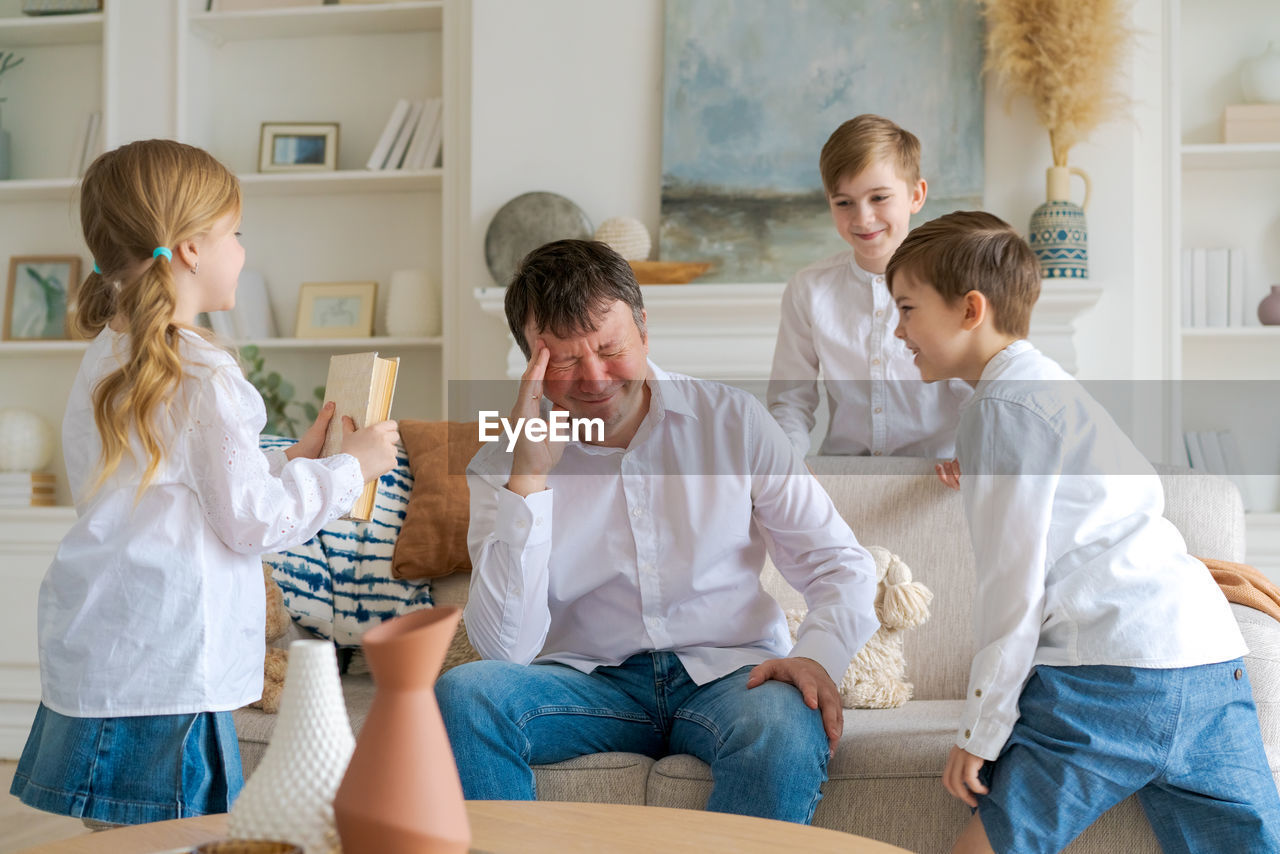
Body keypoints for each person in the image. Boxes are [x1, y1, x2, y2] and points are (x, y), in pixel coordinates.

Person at [9, 139, 400, 827]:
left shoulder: (108, 354)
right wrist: (349, 470)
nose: (243, 253)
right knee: (175, 839)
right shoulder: (206, 373)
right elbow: (250, 521)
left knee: (120, 840)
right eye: (235, 234)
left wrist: (292, 461)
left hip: (115, 650)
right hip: (172, 666)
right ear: (191, 247)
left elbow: (177, 487)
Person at [436, 239, 880, 824]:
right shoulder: (504, 466)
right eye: (564, 361)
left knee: (784, 720)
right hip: (588, 684)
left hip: (731, 675)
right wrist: (530, 479)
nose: (593, 378)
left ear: (644, 328)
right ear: (532, 366)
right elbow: (504, 649)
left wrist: (817, 655)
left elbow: (838, 564)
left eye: (610, 347)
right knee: (466, 694)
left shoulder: (733, 422)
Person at [886, 210, 1280, 853]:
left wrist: (978, 733)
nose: (899, 331)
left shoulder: (996, 411)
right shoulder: (1054, 392)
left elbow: (1012, 593)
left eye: (907, 309)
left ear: (969, 309)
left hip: (1111, 678)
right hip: (1209, 658)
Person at [768, 113, 970, 463]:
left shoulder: (957, 283)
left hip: (937, 480)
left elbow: (977, 391)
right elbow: (791, 400)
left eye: (879, 197)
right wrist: (787, 470)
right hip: (842, 478)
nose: (862, 218)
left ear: (916, 195)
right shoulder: (808, 289)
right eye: (844, 202)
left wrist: (974, 457)